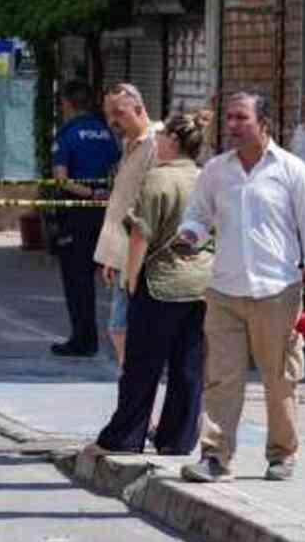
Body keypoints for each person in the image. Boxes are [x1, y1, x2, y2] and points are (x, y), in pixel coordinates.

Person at [175, 91, 305, 483]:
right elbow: (198, 214)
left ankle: (282, 454)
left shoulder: (292, 171)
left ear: (264, 123)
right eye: (228, 118)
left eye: (240, 118)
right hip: (225, 290)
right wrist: (189, 236)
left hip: (278, 291)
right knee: (221, 377)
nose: (231, 126)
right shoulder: (216, 170)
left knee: (280, 379)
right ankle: (214, 456)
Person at [88, 113, 212, 456]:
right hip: (201, 282)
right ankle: (179, 438)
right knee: (188, 365)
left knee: (143, 365)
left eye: (161, 138)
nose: (156, 142)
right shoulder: (206, 179)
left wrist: (130, 276)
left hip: (160, 282)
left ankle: (127, 434)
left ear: (172, 141)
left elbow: (142, 234)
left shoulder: (157, 180)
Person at [49, 81, 121, 357]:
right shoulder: (107, 132)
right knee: (110, 276)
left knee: (77, 279)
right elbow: (118, 167)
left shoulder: (67, 134)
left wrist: (90, 193)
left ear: (67, 104)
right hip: (107, 214)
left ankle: (83, 339)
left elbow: (61, 179)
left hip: (78, 213)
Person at [91, 83, 160, 365]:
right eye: (109, 115)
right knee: (119, 328)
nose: (112, 122)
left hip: (143, 255)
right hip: (122, 253)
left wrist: (133, 258)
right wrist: (111, 257)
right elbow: (123, 202)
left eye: (118, 113)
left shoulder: (157, 144)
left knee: (127, 329)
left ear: (140, 109)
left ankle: (138, 394)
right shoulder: (129, 143)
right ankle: (133, 390)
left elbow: (150, 207)